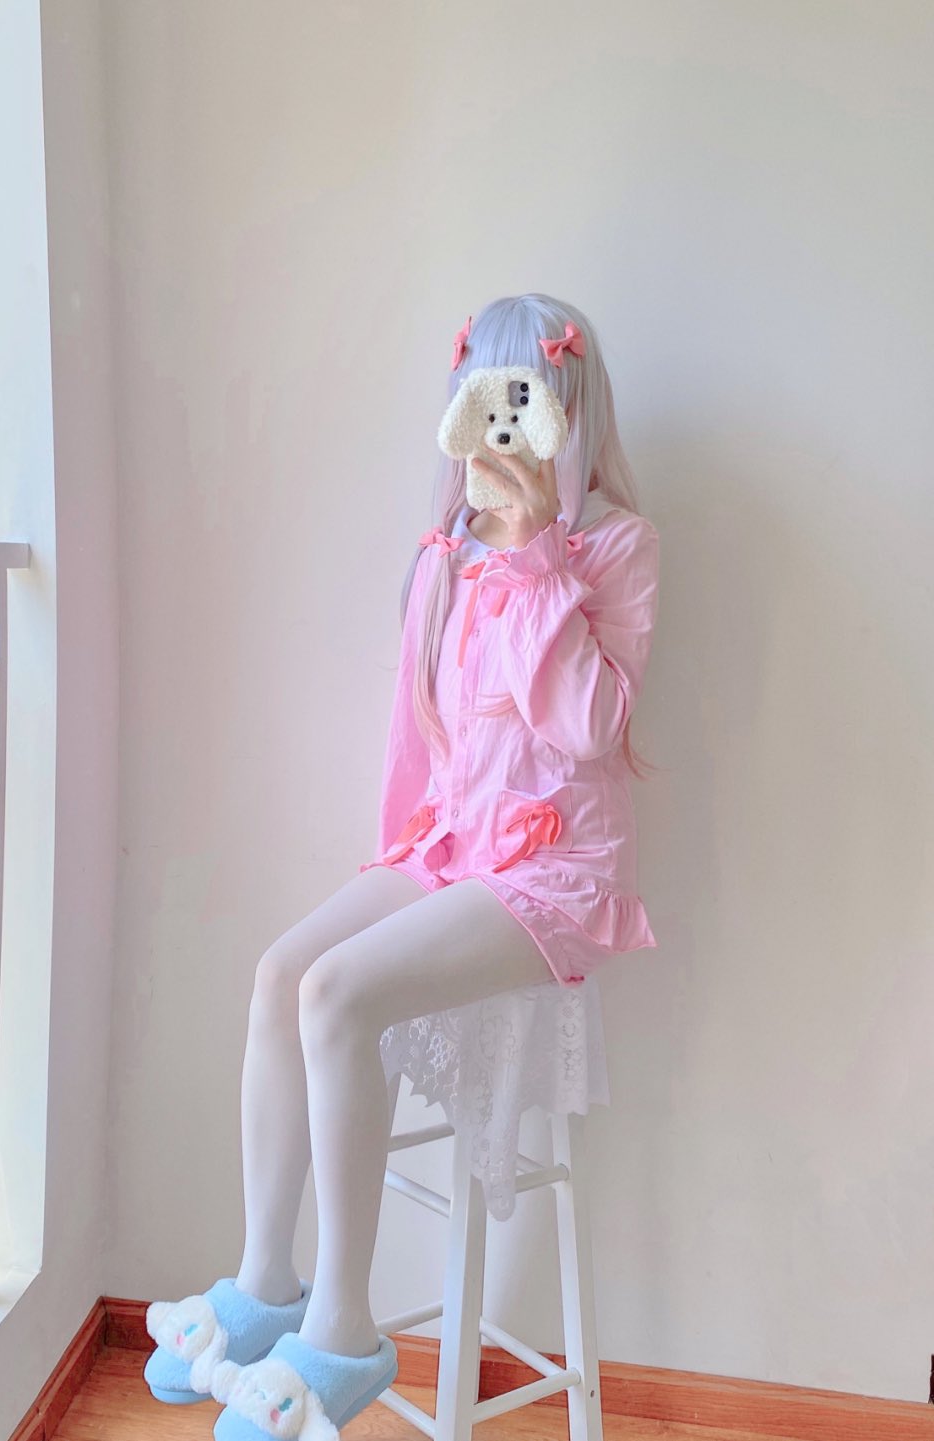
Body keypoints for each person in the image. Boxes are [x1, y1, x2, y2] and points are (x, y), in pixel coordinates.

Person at [144, 293, 661, 1440]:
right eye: (487, 406)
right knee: (283, 973)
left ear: (571, 414)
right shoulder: (447, 557)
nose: (506, 434)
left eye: (530, 407)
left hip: (556, 872)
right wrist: (395, 865)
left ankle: (344, 1327)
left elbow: (587, 727)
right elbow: (418, 741)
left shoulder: (615, 547)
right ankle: (266, 1281)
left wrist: (538, 555)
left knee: (338, 992)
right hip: (453, 848)